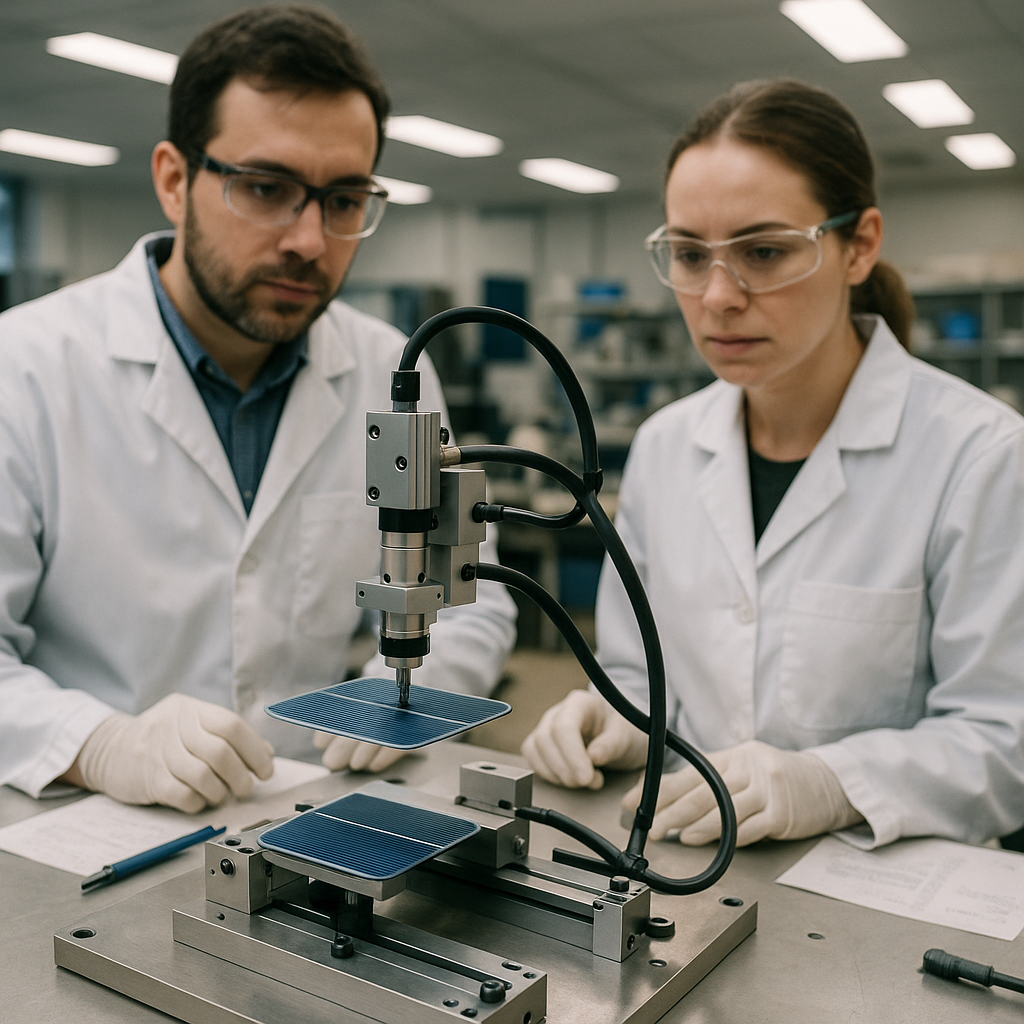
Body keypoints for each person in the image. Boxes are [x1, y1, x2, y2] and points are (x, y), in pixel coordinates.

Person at [0, 6, 516, 814]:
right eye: (266, 189)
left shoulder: (392, 369)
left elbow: (467, 595)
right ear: (174, 180)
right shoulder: (23, 367)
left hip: (319, 820)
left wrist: (407, 687)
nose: (309, 239)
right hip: (86, 831)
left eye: (344, 200)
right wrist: (96, 740)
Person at [522, 79, 1024, 850]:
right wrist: (617, 720)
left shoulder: (980, 454)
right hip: (690, 872)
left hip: (882, 903)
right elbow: (638, 672)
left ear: (859, 246)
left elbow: (1003, 739)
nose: (719, 296)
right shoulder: (664, 447)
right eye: (690, 254)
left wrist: (832, 781)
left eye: (763, 251)